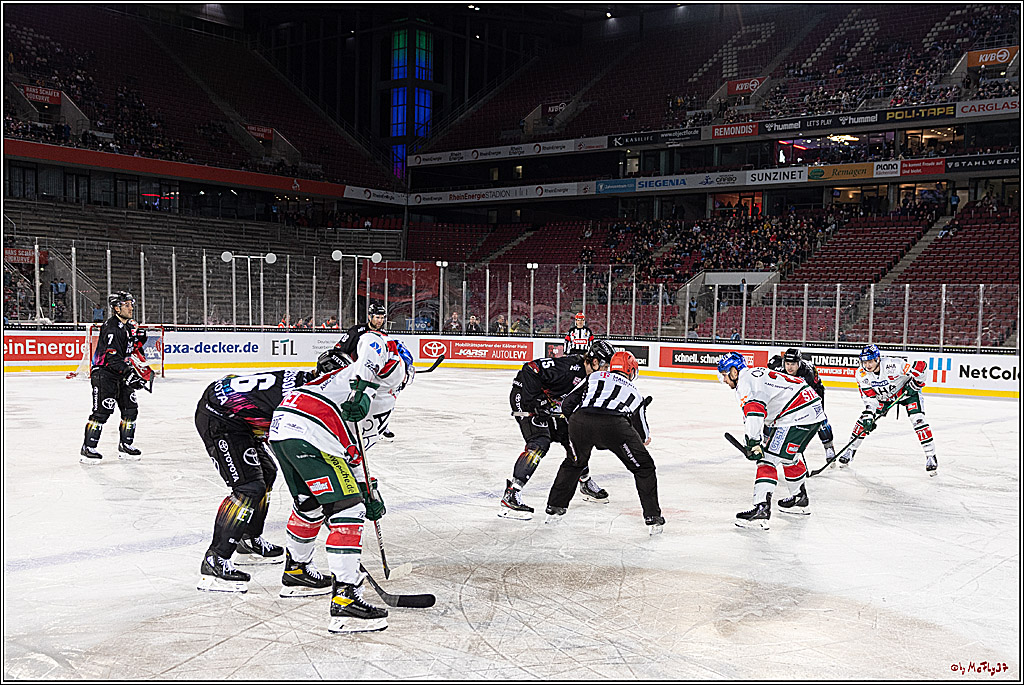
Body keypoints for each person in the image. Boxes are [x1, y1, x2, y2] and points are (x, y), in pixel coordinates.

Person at [269, 337, 410, 633]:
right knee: (348, 509)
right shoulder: (378, 370)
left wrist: (366, 487)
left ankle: (296, 573)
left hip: (287, 426)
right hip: (312, 426)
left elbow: (354, 449)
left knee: (309, 506)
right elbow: (373, 342)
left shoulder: (378, 401)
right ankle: (345, 600)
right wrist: (361, 389)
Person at [194, 367, 329, 594]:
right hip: (220, 418)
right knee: (248, 488)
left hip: (240, 418)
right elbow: (289, 448)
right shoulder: (307, 400)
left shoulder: (308, 380)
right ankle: (215, 560)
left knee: (267, 473)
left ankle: (247, 539)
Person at [546, 351, 665, 535]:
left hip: (580, 421)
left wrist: (579, 426)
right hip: (614, 425)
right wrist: (642, 439)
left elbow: (568, 403)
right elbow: (641, 428)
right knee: (644, 468)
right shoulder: (634, 391)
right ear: (630, 370)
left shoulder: (594, 376)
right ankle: (653, 518)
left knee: (574, 463)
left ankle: (554, 508)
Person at [500, 340, 617, 519]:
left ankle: (584, 482)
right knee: (540, 442)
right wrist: (537, 402)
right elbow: (530, 369)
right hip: (524, 395)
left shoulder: (591, 377)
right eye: (605, 365)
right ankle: (512, 494)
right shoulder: (568, 367)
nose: (607, 370)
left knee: (575, 438)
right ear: (594, 361)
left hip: (548, 403)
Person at [717, 352, 826, 529]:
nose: (724, 380)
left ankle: (761, 509)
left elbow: (754, 414)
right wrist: (755, 440)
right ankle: (800, 499)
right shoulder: (755, 375)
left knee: (767, 459)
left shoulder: (746, 383)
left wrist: (753, 443)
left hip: (796, 416)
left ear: (734, 372)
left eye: (724, 374)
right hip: (812, 411)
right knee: (789, 456)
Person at [837, 344, 936, 475]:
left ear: (877, 358)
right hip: (883, 398)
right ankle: (850, 450)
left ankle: (931, 456)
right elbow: (870, 399)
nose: (867, 365)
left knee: (918, 420)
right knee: (863, 422)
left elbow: (921, 369)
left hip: (906, 394)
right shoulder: (861, 374)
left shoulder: (893, 365)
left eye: (870, 361)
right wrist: (869, 415)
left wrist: (915, 385)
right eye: (865, 362)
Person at [79, 291, 148, 464]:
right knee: (102, 412)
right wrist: (130, 373)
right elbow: (112, 358)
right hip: (104, 374)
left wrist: (139, 338)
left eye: (131, 304)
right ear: (117, 308)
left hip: (120, 373)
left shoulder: (126, 326)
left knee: (130, 409)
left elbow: (130, 348)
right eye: (127, 305)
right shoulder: (111, 328)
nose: (131, 307)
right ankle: (88, 448)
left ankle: (126, 445)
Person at [331, 303, 399, 442]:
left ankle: (381, 424)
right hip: (355, 374)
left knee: (386, 396)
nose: (380, 320)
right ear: (369, 316)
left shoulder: (383, 335)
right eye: (377, 317)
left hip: (373, 375)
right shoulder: (357, 331)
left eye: (382, 317)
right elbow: (338, 351)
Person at [767, 348, 836, 463]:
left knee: (821, 419)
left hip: (811, 394)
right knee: (772, 418)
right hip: (787, 395)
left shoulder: (808, 371)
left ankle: (829, 447)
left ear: (799, 363)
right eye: (787, 364)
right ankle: (767, 442)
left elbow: (815, 392)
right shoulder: (777, 367)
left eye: (793, 364)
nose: (789, 367)